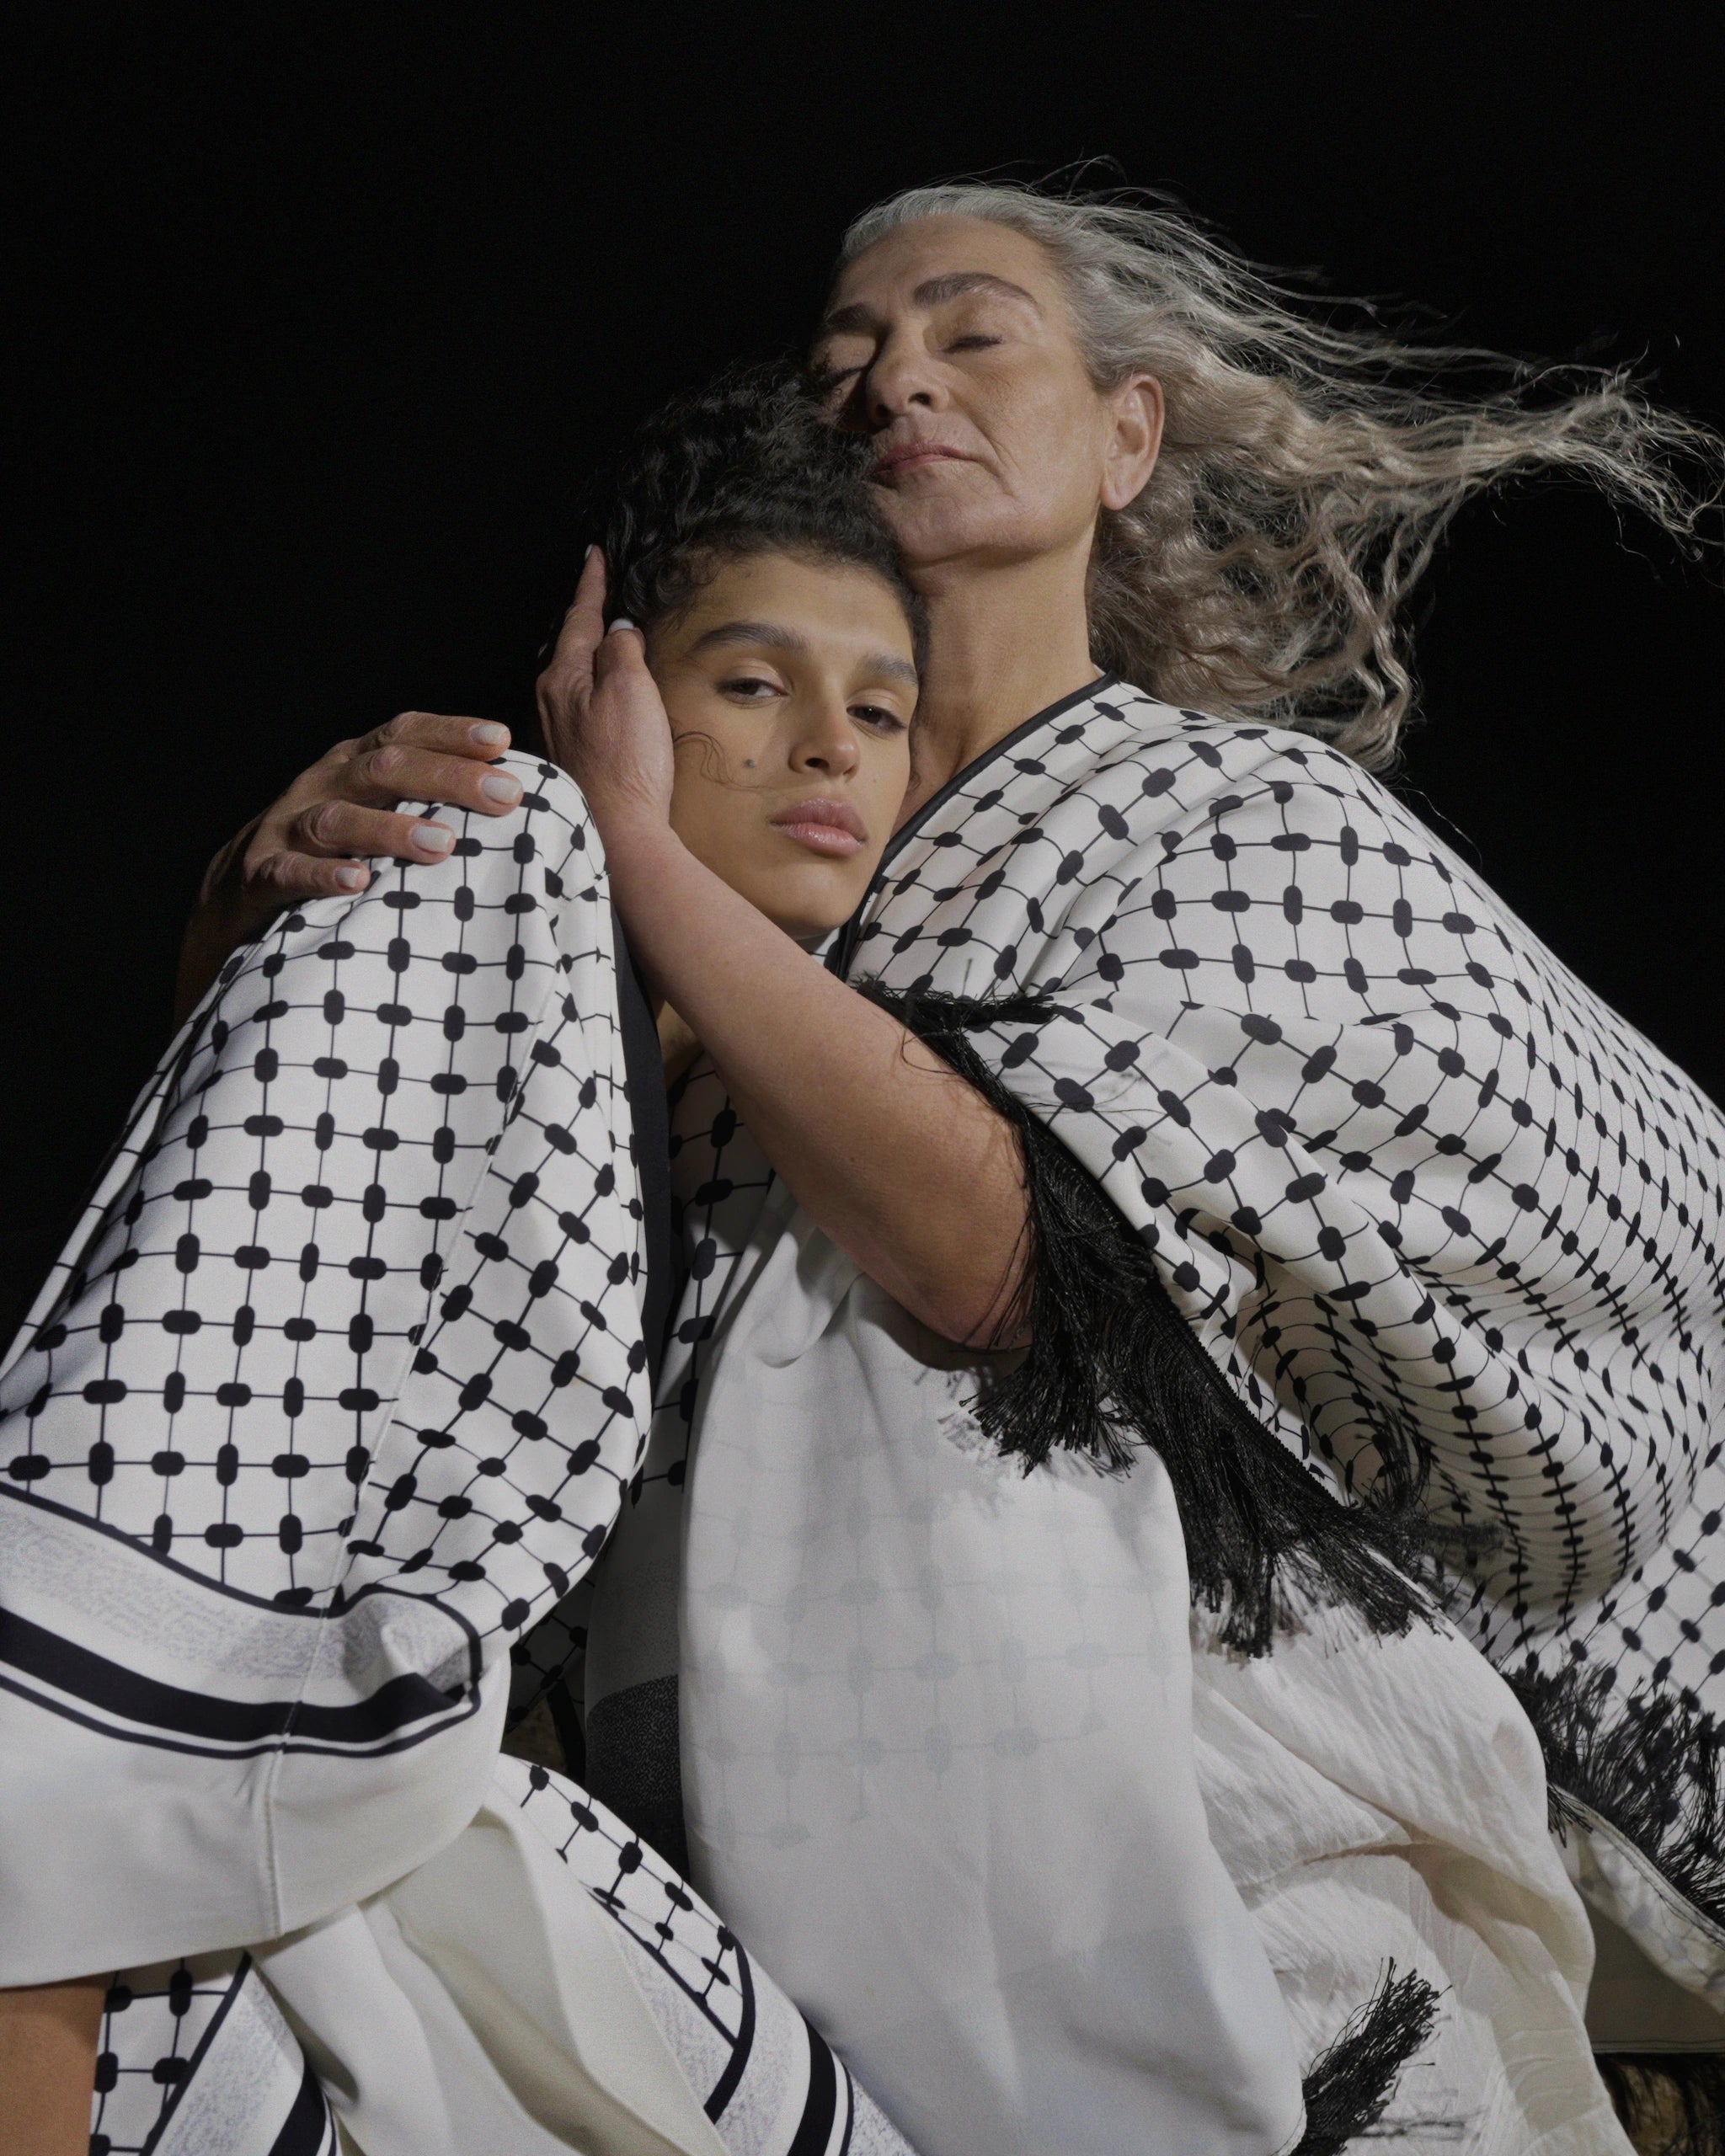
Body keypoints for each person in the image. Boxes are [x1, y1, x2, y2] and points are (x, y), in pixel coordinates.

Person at [180, 182, 1725, 2154]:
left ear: (1127, 436)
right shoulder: (763, 891)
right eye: (844, 355)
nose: (893, 376)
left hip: (1232, 1903)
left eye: (970, 333)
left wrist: (636, 858)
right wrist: (259, 917)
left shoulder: (1241, 818)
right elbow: (404, 1257)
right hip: (758, 1916)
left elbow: (1008, 1265)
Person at [0, 371, 952, 2156]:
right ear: (609, 691)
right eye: (752, 684)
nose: (832, 744)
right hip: (136, 1929)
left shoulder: (710, 1094)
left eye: (882, 708)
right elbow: (106, 1537)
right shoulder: (471, 879)